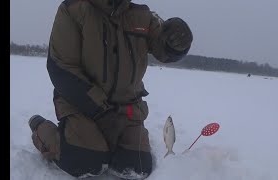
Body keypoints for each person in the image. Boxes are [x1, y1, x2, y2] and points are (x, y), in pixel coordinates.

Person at [28, 0, 193, 179]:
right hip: (81, 104)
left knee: (137, 168)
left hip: (126, 108)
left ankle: (104, 143)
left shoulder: (143, 16)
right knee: (85, 161)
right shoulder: (73, 10)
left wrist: (177, 42)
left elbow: (162, 48)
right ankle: (41, 128)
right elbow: (61, 68)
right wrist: (99, 110)